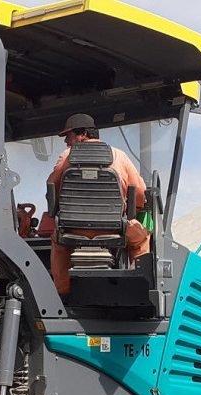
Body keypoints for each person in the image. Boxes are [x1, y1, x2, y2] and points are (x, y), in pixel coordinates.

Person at [46, 112, 150, 295]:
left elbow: (51, 187)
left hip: (73, 230)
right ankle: (141, 288)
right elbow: (140, 192)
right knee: (141, 239)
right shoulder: (119, 156)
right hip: (115, 228)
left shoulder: (66, 157)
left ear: (83, 134)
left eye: (69, 136)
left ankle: (62, 292)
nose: (66, 142)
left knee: (58, 243)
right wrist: (134, 211)